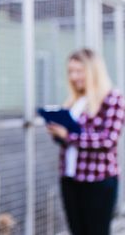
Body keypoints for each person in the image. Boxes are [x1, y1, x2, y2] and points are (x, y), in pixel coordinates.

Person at [46, 48, 124, 235]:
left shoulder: (113, 99)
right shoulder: (74, 101)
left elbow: (108, 140)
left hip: (98, 180)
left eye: (79, 71)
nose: (73, 77)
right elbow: (68, 141)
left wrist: (68, 135)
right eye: (70, 71)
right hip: (71, 177)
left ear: (92, 71)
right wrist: (57, 132)